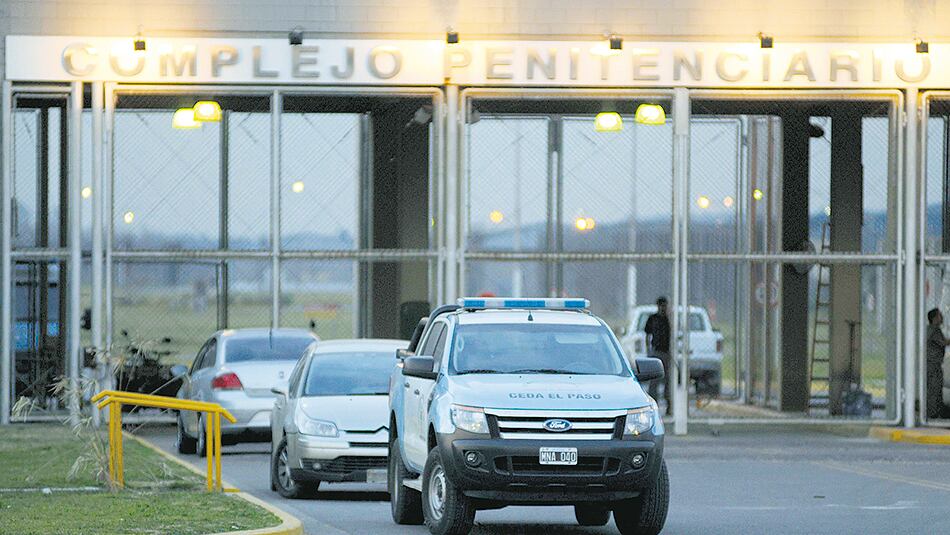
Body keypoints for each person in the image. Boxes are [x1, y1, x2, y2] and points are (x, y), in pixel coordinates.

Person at [644, 297, 672, 415]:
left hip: (666, 353)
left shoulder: (668, 320)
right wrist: (649, 351)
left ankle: (669, 405)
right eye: (661, 306)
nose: (663, 308)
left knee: (667, 381)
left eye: (664, 306)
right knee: (654, 381)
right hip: (656, 352)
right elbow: (647, 335)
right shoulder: (653, 319)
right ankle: (652, 405)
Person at [926, 308, 949, 420]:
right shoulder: (935, 330)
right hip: (933, 365)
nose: (942, 317)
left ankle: (934, 412)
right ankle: (933, 413)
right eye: (940, 315)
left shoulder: (930, 329)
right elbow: (944, 342)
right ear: (935, 318)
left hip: (931, 364)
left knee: (934, 388)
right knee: (934, 389)